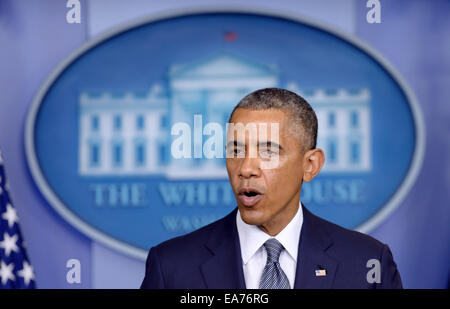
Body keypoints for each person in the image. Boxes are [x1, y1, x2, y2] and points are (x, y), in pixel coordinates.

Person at [141, 88, 402, 289]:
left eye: (267, 152)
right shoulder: (171, 266)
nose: (245, 168)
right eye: (236, 150)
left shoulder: (368, 263)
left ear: (310, 165)